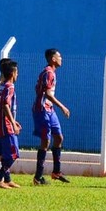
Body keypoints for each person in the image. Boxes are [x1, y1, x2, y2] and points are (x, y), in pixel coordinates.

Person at [33, 48, 72, 185]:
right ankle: (38, 177)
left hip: (50, 110)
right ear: (53, 59)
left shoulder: (49, 73)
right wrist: (62, 107)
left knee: (59, 137)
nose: (62, 59)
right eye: (59, 56)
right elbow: (48, 94)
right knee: (45, 141)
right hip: (42, 110)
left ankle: (56, 171)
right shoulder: (49, 73)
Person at [0, 61, 22, 188]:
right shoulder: (10, 87)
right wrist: (12, 124)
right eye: (17, 72)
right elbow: (5, 105)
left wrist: (13, 120)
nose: (18, 75)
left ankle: (7, 179)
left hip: (1, 123)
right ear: (13, 73)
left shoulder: (2, 86)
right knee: (13, 153)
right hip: (5, 125)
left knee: (5, 153)